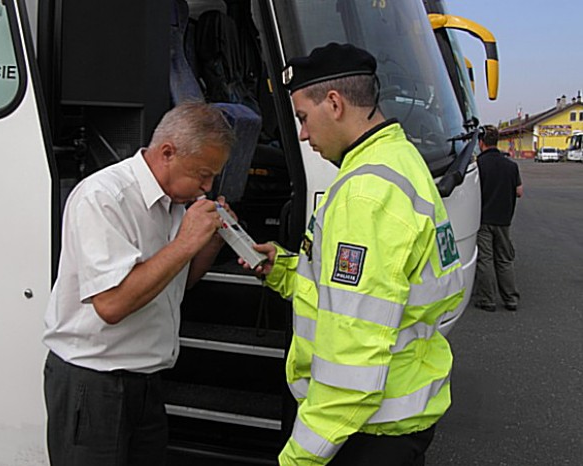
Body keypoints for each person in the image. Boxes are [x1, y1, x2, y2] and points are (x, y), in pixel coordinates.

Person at [242, 43, 465, 466]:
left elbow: (353, 360)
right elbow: (371, 295)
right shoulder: (400, 159)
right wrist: (285, 270)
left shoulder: (365, 194)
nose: (303, 134)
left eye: (303, 118)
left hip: (366, 432)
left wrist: (299, 457)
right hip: (398, 414)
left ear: (334, 103)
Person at [42, 102, 236, 465]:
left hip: (146, 380)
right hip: (93, 381)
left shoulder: (176, 204)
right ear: (167, 153)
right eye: (203, 174)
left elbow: (178, 283)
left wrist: (211, 242)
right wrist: (184, 243)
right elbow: (112, 305)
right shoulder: (103, 197)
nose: (206, 188)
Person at [474, 124, 523, 312]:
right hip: (504, 220)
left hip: (483, 218)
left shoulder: (478, 165)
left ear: (481, 142)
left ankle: (487, 299)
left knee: (485, 259)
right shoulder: (511, 165)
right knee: (504, 259)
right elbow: (519, 192)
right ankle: (510, 298)